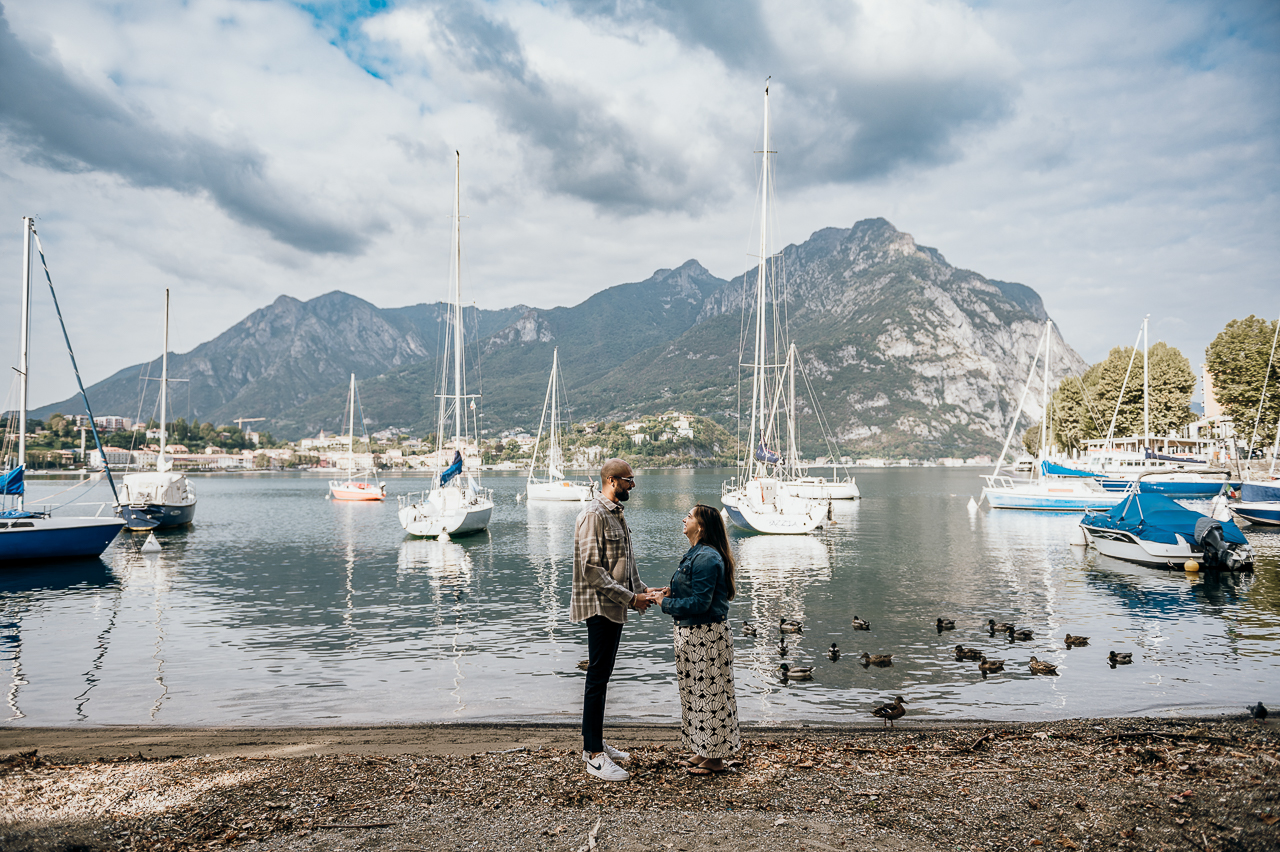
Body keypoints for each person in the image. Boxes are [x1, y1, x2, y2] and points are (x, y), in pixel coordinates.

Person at [571, 458, 658, 782]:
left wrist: (643, 592)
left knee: (601, 676)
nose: (632, 485)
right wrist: (630, 598)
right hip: (599, 606)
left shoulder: (615, 514)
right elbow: (592, 570)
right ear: (611, 480)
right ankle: (593, 755)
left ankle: (594, 742)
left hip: (614, 605)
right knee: (597, 678)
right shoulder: (594, 515)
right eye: (628, 480)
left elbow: (625, 563)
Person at [650, 504, 740, 775]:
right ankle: (703, 750)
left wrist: (666, 603)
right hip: (693, 634)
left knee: (710, 695)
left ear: (700, 526)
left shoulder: (706, 557)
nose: (684, 518)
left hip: (706, 636)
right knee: (694, 694)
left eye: (689, 516)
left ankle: (715, 759)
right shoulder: (698, 554)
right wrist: (671, 591)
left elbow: (701, 603)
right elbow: (698, 591)